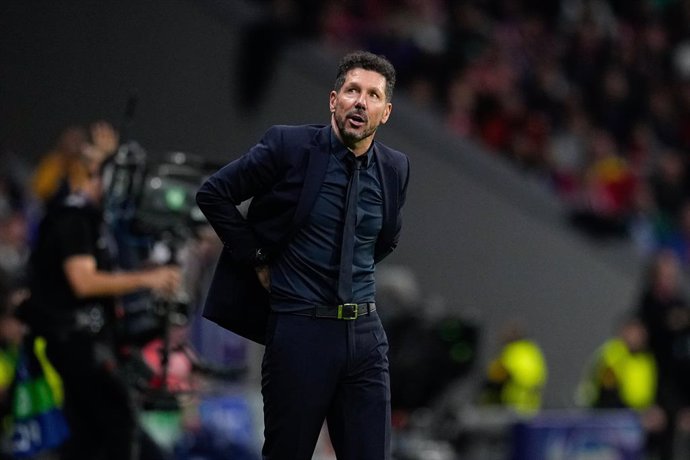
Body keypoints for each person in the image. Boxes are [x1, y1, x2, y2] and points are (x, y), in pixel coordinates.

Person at [196, 50, 410, 459]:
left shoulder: (395, 168)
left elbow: (385, 239)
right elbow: (214, 193)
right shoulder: (287, 146)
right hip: (300, 332)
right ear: (334, 100)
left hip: (365, 337)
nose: (360, 101)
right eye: (352, 90)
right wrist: (257, 257)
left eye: (372, 95)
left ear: (385, 112)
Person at [20, 152, 182, 460]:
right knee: (120, 425)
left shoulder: (91, 221)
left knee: (86, 438)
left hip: (84, 342)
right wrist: (146, 279)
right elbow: (83, 281)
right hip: (77, 343)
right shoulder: (74, 217)